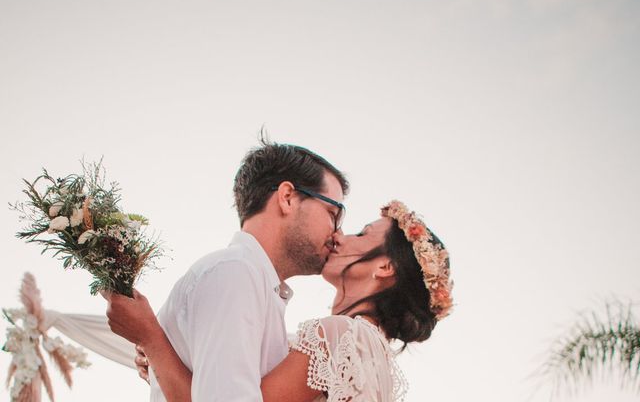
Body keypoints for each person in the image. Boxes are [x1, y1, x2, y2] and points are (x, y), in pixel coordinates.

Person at [105, 200, 453, 401]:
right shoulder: (367, 352)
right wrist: (173, 356)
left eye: (362, 234)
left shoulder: (338, 338)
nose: (340, 237)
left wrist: (151, 338)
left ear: (384, 266)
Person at [104, 138, 349, 401]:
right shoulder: (235, 275)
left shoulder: (252, 283)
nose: (339, 234)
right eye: (333, 214)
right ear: (287, 198)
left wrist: (153, 343)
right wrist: (151, 341)